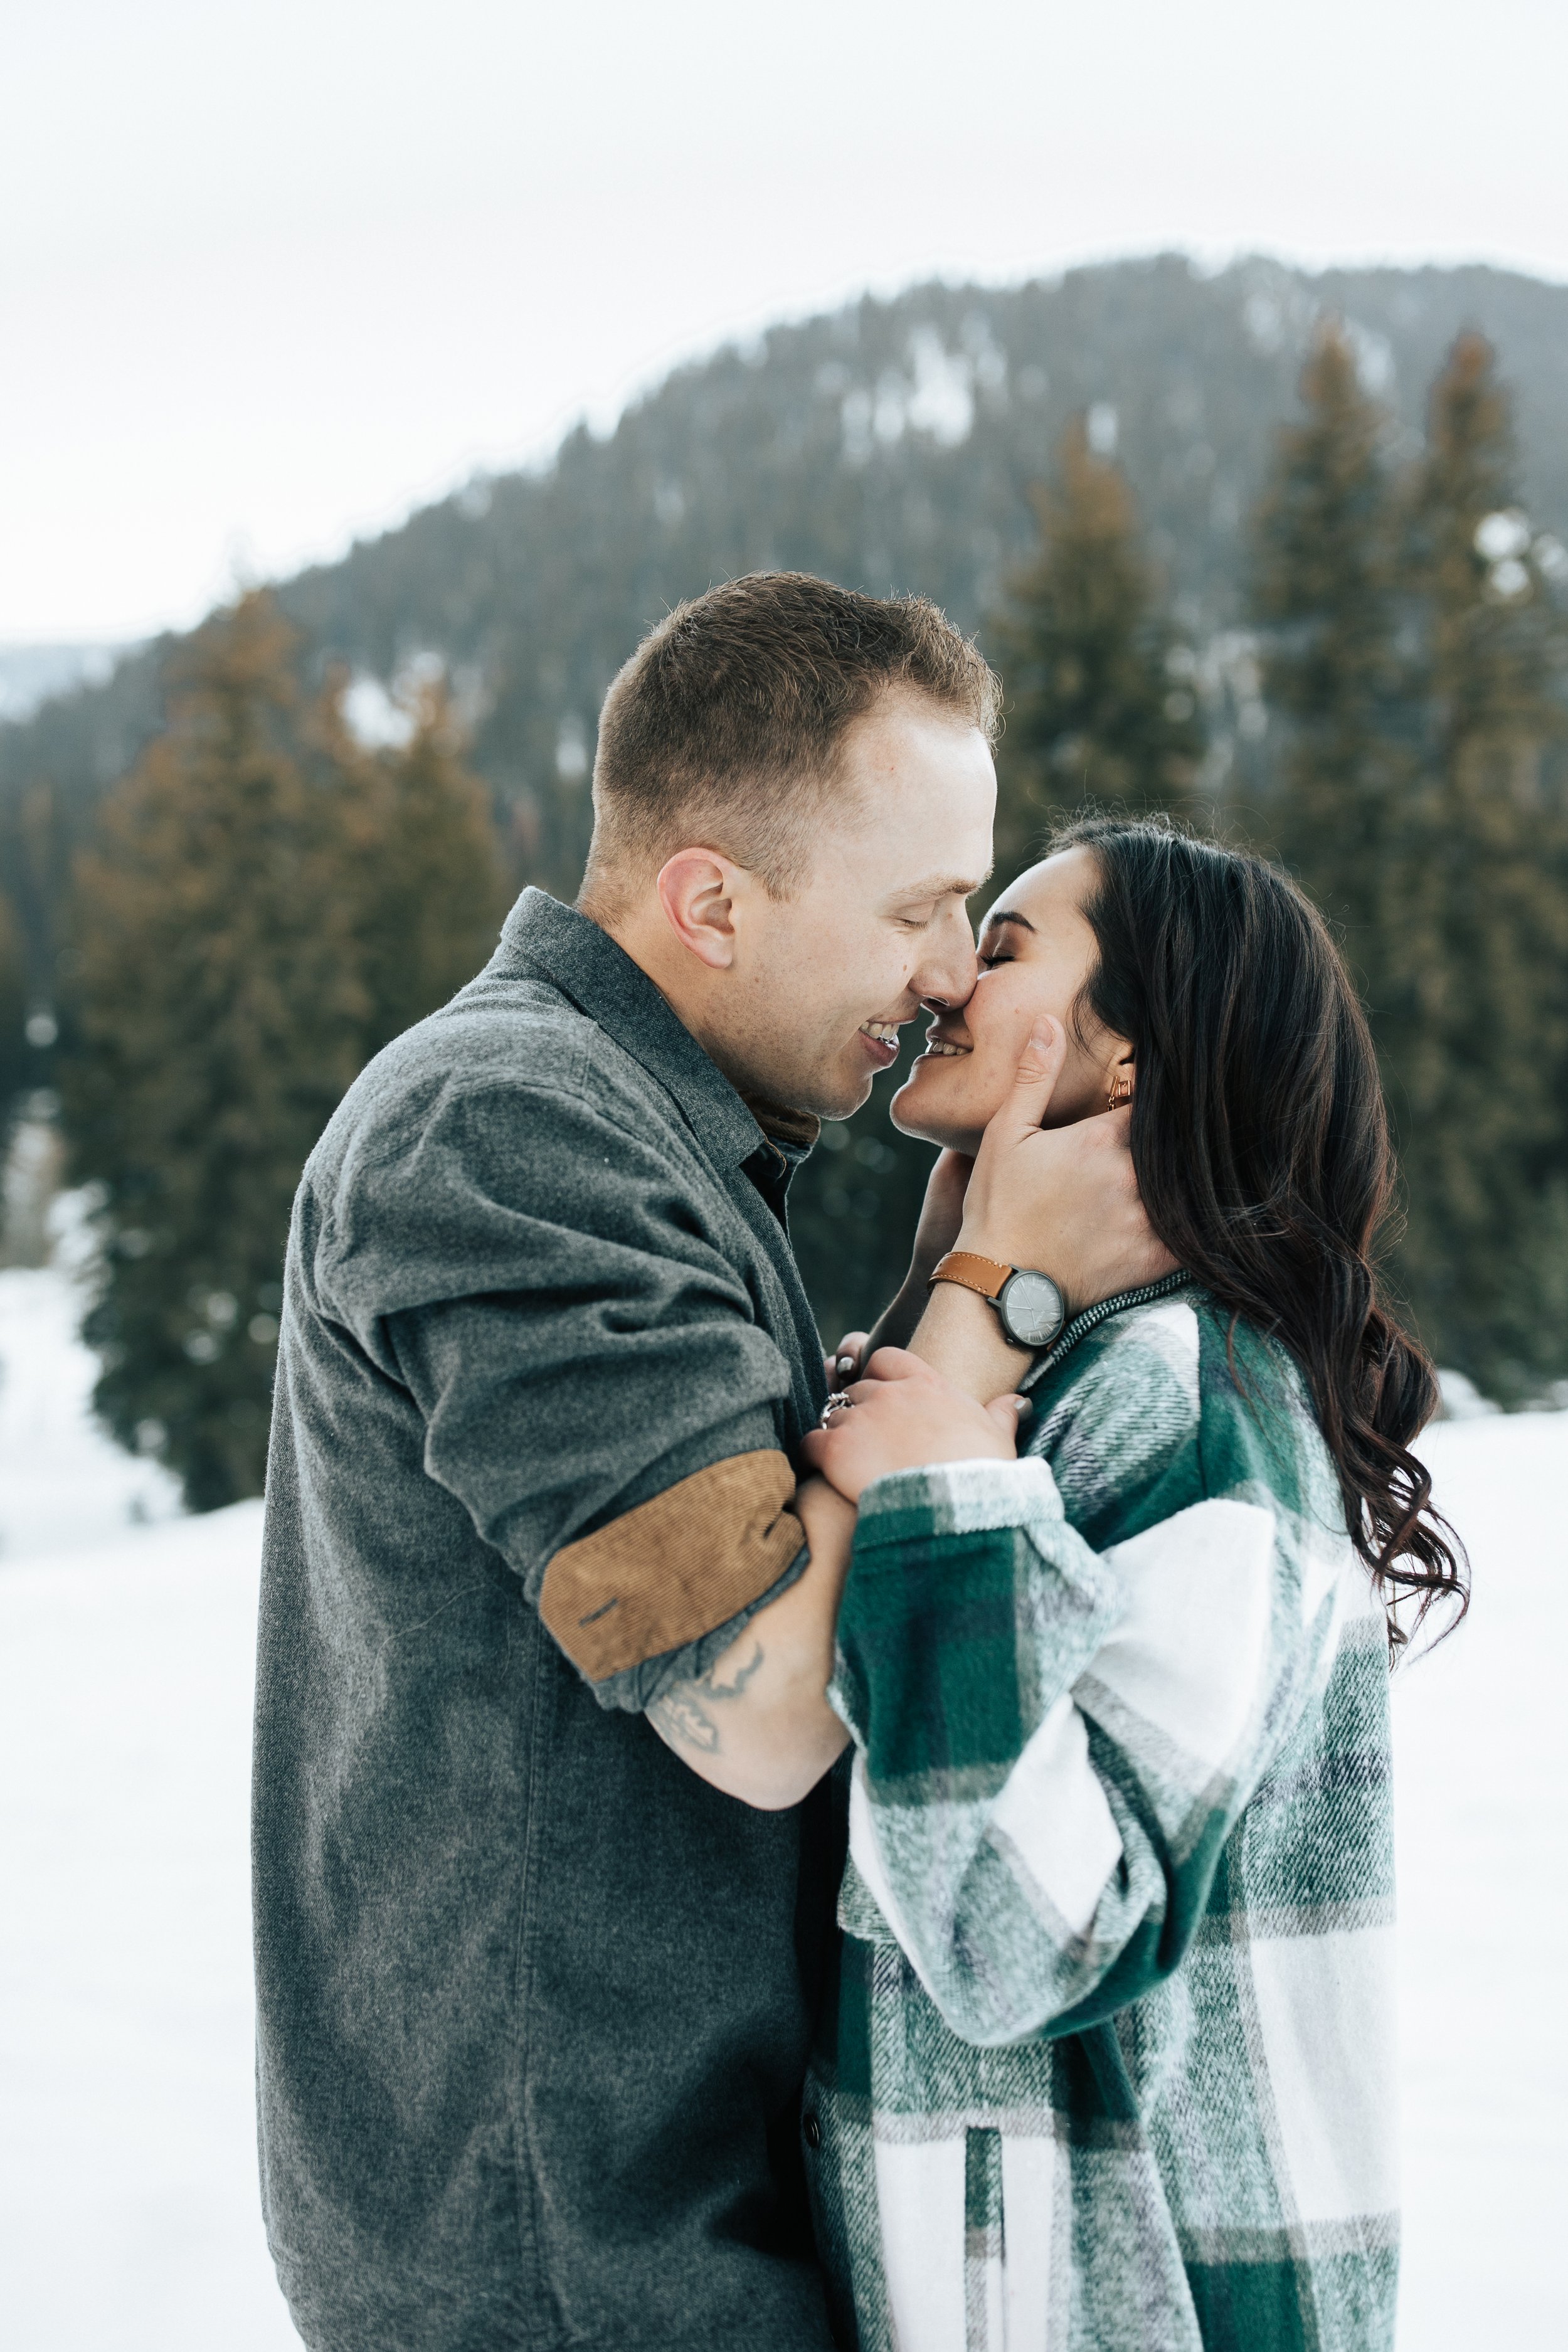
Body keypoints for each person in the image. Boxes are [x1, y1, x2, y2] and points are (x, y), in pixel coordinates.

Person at [252, 576, 1165, 2351]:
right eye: (917, 905)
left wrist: (931, 1273)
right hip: (568, 2258)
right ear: (710, 900)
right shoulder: (511, 1126)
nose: (949, 966)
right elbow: (753, 1709)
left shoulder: (655, 1130)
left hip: (648, 2218)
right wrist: (999, 1284)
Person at [792, 820, 1468, 2352]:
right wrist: (950, 1297)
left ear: (1126, 1068)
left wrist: (937, 1502)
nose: (951, 975)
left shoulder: (1188, 1399)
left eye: (1010, 946)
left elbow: (1028, 1933)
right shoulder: (1086, 1371)